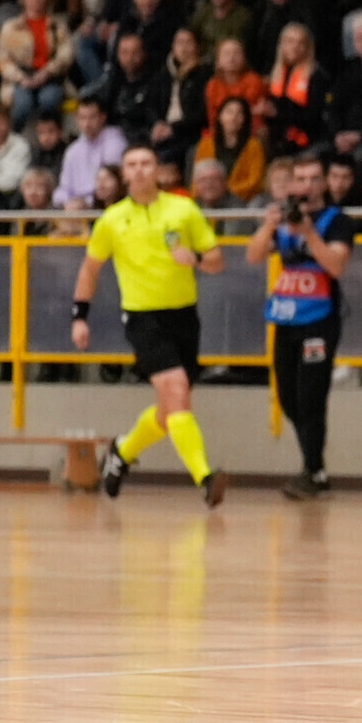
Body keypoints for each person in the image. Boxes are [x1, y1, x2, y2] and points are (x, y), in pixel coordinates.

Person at [74, 141, 232, 505]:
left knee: (170, 408)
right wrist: (79, 316)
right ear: (124, 174)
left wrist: (194, 258)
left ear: (158, 170)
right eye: (133, 164)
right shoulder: (112, 219)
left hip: (184, 317)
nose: (140, 170)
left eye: (147, 163)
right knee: (177, 391)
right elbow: (90, 270)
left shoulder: (183, 209)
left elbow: (216, 260)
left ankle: (121, 452)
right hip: (142, 318)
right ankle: (205, 478)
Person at [242, 151, 356, 499]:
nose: (307, 186)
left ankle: (313, 470)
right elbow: (253, 256)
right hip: (286, 316)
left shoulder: (337, 221)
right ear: (291, 184)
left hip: (320, 319)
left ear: (324, 183)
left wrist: (308, 233)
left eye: (314, 178)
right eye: (301, 179)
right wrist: (268, 226)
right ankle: (314, 466)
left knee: (311, 397)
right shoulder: (282, 218)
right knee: (288, 396)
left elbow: (336, 265)